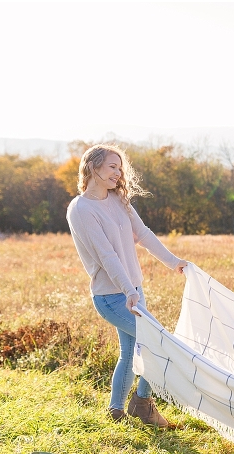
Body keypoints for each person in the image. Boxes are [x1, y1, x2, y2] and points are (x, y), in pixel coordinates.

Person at [66, 144, 187, 427]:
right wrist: (129, 292)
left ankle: (116, 411)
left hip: (133, 292)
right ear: (93, 167)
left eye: (120, 168)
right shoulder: (81, 209)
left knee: (130, 351)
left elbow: (143, 234)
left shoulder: (120, 200)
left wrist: (173, 262)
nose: (118, 173)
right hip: (112, 296)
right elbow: (106, 255)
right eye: (112, 167)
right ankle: (142, 405)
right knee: (157, 342)